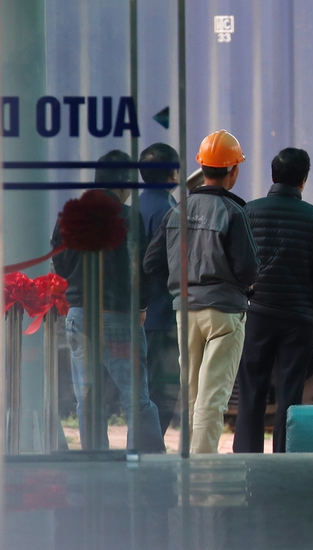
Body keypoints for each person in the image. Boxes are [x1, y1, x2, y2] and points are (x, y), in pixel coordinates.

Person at [144, 129, 259, 454]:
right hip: (223, 313)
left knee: (192, 394)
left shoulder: (175, 210)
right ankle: (204, 469)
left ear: (202, 167)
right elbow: (249, 270)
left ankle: (189, 464)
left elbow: (152, 262)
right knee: (212, 398)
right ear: (233, 170)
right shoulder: (234, 212)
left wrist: (184, 273)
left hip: (185, 312)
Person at [51, 150, 166, 453]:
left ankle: (94, 463)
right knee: (136, 400)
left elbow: (59, 262)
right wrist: (141, 307)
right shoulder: (128, 217)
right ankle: (147, 465)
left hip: (79, 316)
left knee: (87, 399)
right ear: (125, 185)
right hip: (118, 318)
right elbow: (140, 269)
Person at [233, 148, 313, 453]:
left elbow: (237, 263)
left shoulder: (248, 212)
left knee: (251, 389)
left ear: (273, 176)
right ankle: (285, 458)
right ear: (303, 181)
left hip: (256, 314)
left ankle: (246, 459)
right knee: (290, 394)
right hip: (298, 320)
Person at [137, 143, 181, 436]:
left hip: (137, 311)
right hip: (162, 313)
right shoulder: (168, 210)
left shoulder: (135, 206)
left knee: (142, 388)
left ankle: (140, 443)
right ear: (171, 175)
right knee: (164, 388)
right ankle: (152, 446)